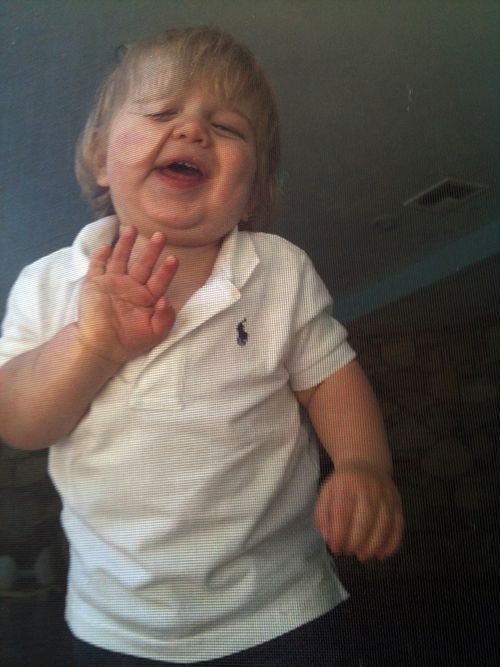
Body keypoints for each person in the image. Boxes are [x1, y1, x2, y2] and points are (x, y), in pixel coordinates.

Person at [0, 26, 404, 666]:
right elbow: (20, 423)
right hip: (121, 622)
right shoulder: (50, 283)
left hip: (281, 606)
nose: (191, 131)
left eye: (227, 128)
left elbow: (329, 378)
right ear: (102, 158)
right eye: (162, 113)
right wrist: (94, 342)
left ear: (252, 192)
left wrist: (362, 465)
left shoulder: (278, 271)